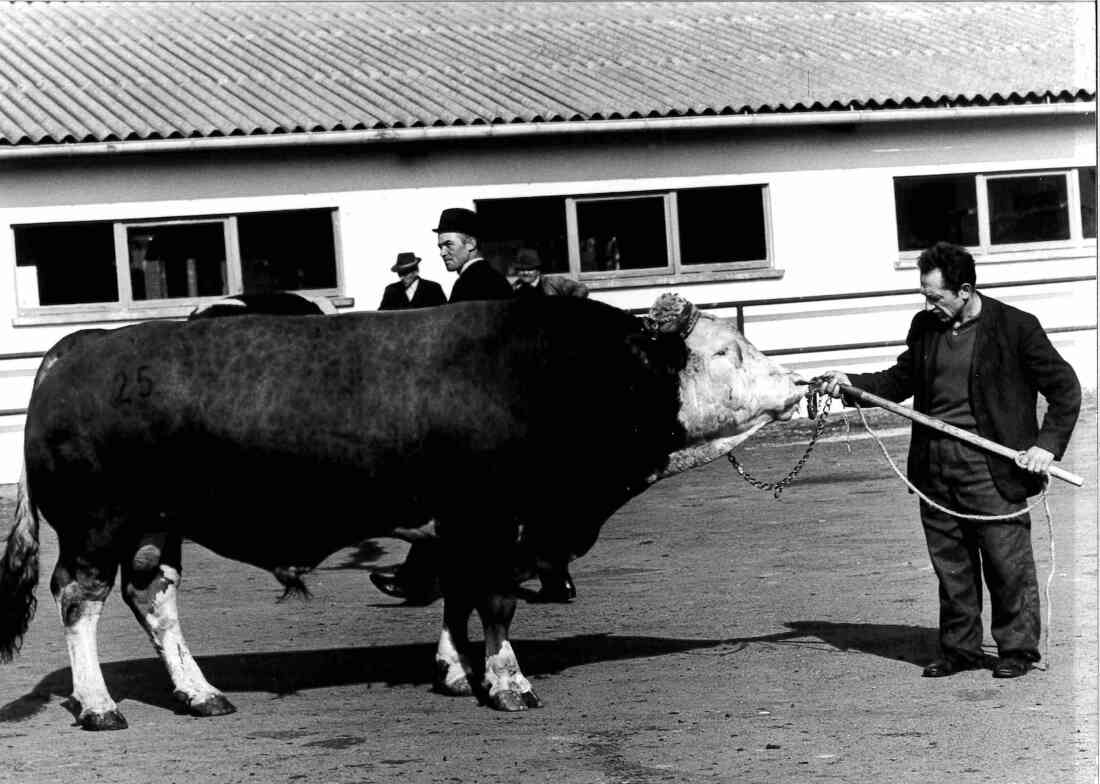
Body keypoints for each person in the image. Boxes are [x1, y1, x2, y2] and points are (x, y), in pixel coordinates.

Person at [815, 242, 1080, 680]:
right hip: (935, 467)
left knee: (1006, 563)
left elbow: (1066, 389)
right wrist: (851, 384)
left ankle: (1017, 649)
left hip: (993, 470)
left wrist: (1046, 446)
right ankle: (960, 649)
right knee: (951, 565)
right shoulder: (926, 326)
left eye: (935, 297)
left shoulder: (1016, 327)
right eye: (924, 295)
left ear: (965, 289)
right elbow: (900, 379)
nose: (928, 305)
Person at [434, 207, 514, 303]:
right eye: (440, 247)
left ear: (471, 244)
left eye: (449, 245)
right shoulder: (494, 277)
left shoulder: (468, 283)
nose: (442, 253)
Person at [510, 248, 589, 299]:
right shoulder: (514, 289)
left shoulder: (553, 282)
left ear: (538, 270)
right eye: (521, 269)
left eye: (530, 269)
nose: (525, 273)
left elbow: (581, 288)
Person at [378, 252, 446, 310]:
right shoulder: (391, 290)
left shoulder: (434, 288)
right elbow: (382, 316)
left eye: (405, 272)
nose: (402, 277)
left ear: (416, 271)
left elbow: (445, 313)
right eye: (400, 273)